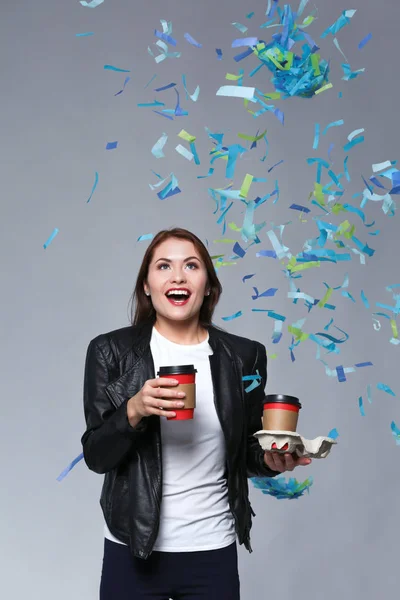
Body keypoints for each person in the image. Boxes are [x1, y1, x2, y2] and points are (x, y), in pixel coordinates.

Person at [81, 227, 311, 600]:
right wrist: (135, 409)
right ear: (146, 285)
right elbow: (96, 455)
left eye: (191, 265)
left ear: (208, 287)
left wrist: (272, 459)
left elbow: (248, 449)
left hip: (211, 550)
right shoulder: (111, 352)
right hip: (132, 548)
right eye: (163, 266)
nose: (177, 276)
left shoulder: (244, 357)